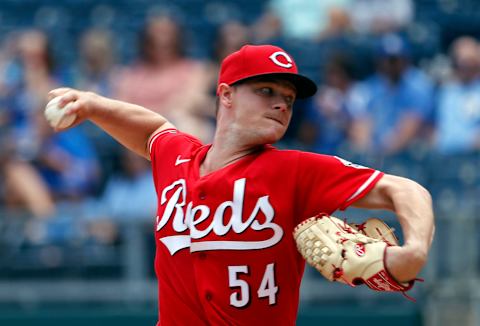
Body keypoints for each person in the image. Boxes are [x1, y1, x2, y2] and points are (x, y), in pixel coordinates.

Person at [47, 44, 434, 326]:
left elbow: (407, 191)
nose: (281, 103)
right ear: (226, 94)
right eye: (266, 91)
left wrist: (414, 250)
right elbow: (153, 131)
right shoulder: (180, 159)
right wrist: (93, 104)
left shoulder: (296, 170)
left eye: (288, 97)